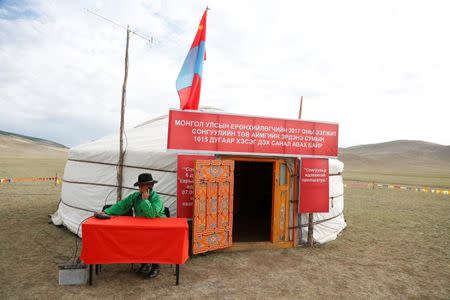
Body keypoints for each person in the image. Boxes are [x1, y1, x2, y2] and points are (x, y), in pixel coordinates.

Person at [103, 173, 166, 279]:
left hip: (157, 229)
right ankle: (145, 262)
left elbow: (151, 215)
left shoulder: (156, 199)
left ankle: (155, 266)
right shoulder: (135, 197)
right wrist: (106, 212)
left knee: (152, 242)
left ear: (149, 186)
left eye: (143, 186)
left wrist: (145, 200)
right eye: (140, 185)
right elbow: (122, 205)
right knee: (138, 240)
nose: (140, 188)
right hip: (142, 227)